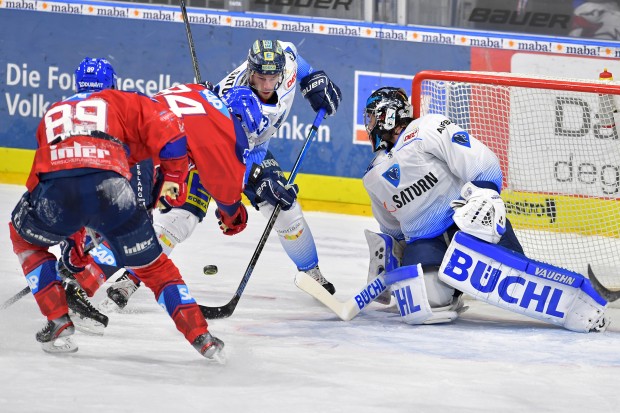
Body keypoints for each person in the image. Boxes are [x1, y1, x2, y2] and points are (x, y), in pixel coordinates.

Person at [8, 57, 229, 358]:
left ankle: (57, 318)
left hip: (58, 192)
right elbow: (173, 131)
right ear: (114, 85)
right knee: (156, 269)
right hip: (112, 189)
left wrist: (73, 244)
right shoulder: (123, 100)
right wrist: (174, 181)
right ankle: (202, 337)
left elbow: (43, 180)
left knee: (24, 238)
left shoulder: (53, 111)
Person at [100, 38, 342, 311]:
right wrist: (239, 196)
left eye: (272, 77)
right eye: (260, 77)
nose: (266, 85)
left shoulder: (283, 64)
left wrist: (314, 79)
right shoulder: (233, 106)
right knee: (181, 218)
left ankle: (312, 273)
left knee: (285, 207)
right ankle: (131, 277)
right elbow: (230, 163)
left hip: (251, 152)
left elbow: (293, 54)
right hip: (212, 149)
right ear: (250, 72)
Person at [359, 86, 608, 332]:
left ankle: (579, 301)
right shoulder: (373, 174)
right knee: (426, 303)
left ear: (386, 114)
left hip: (468, 223)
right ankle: (454, 285)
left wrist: (484, 195)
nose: (368, 124)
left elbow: (481, 161)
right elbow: (392, 228)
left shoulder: (426, 128)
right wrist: (391, 263)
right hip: (425, 242)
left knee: (513, 273)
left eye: (370, 116)